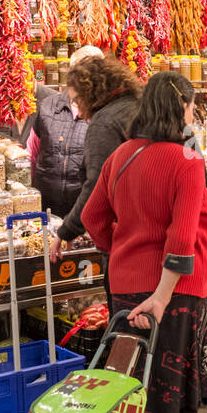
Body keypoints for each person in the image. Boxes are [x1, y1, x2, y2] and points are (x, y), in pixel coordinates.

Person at [80, 71, 207, 413]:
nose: (194, 113)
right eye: (192, 105)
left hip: (124, 295)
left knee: (131, 397)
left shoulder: (121, 156)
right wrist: (161, 294)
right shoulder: (185, 160)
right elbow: (182, 242)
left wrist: (123, 252)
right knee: (178, 405)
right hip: (172, 297)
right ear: (180, 106)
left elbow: (94, 218)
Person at [50, 57, 142, 263]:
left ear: (90, 93)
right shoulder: (143, 104)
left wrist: (67, 230)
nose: (79, 112)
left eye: (76, 101)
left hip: (127, 237)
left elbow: (97, 185)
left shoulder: (105, 123)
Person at [24, 45, 102, 218]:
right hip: (46, 206)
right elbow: (31, 154)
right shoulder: (48, 106)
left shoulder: (106, 112)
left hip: (87, 209)